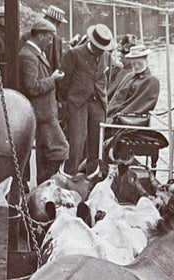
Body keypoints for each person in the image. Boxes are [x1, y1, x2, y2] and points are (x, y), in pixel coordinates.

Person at [58, 23, 113, 175]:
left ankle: (91, 177)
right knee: (76, 142)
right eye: (98, 47)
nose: (101, 51)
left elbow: (105, 78)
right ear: (91, 42)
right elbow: (63, 82)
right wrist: (68, 102)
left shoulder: (106, 56)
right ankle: (69, 177)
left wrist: (103, 99)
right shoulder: (74, 54)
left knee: (96, 144)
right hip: (78, 104)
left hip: (98, 104)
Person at [20, 18, 69, 184]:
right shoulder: (29, 56)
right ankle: (48, 183)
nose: (50, 43)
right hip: (41, 113)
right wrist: (53, 79)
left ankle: (43, 183)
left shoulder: (33, 54)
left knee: (44, 151)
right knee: (59, 148)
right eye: (49, 38)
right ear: (40, 36)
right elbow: (31, 87)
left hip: (43, 112)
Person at [106, 44, 159, 123]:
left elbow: (137, 106)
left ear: (146, 61)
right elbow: (115, 98)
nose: (136, 66)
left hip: (126, 120)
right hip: (112, 114)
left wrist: (115, 118)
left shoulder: (151, 81)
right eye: (134, 64)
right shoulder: (129, 76)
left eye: (139, 63)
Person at [107, 34, 136, 100]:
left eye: (122, 58)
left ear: (129, 58)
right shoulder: (121, 69)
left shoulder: (130, 73)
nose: (120, 60)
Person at [41, 5, 67, 72]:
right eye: (52, 21)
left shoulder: (58, 40)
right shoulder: (30, 37)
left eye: (58, 23)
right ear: (45, 19)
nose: (54, 25)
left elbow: (59, 62)